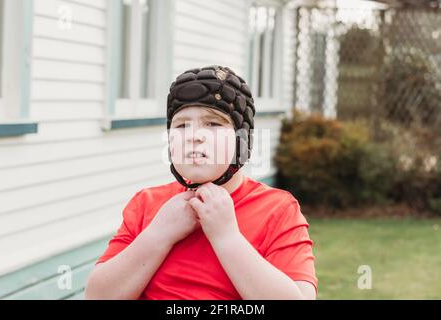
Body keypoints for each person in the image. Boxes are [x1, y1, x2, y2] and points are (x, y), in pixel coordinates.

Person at [85, 65, 317, 300]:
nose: (194, 135)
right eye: (181, 125)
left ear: (242, 139)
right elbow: (96, 297)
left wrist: (226, 236)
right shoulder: (146, 204)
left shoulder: (278, 210)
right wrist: (158, 234)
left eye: (213, 124)